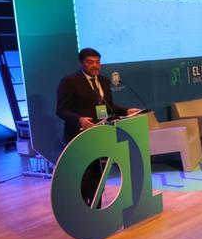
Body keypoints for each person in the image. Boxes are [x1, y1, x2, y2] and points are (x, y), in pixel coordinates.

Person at [56, 48, 142, 205]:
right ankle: (79, 209)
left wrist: (126, 110)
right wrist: (80, 119)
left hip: (99, 134)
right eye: (90, 62)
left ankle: (96, 208)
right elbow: (61, 110)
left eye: (97, 62)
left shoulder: (103, 80)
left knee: (97, 175)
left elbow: (107, 106)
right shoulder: (70, 82)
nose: (95, 66)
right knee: (83, 176)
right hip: (79, 135)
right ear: (81, 63)